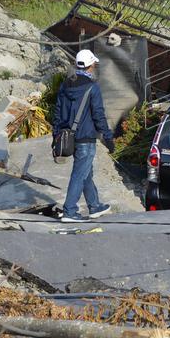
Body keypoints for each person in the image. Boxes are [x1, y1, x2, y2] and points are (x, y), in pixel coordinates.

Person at [53, 49, 114, 222]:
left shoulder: (65, 86)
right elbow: (99, 115)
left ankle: (94, 206)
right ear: (90, 66)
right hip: (86, 137)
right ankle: (70, 211)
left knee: (85, 171)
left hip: (67, 136)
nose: (95, 66)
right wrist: (108, 137)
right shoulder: (92, 87)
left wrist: (55, 136)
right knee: (79, 173)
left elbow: (57, 113)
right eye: (93, 64)